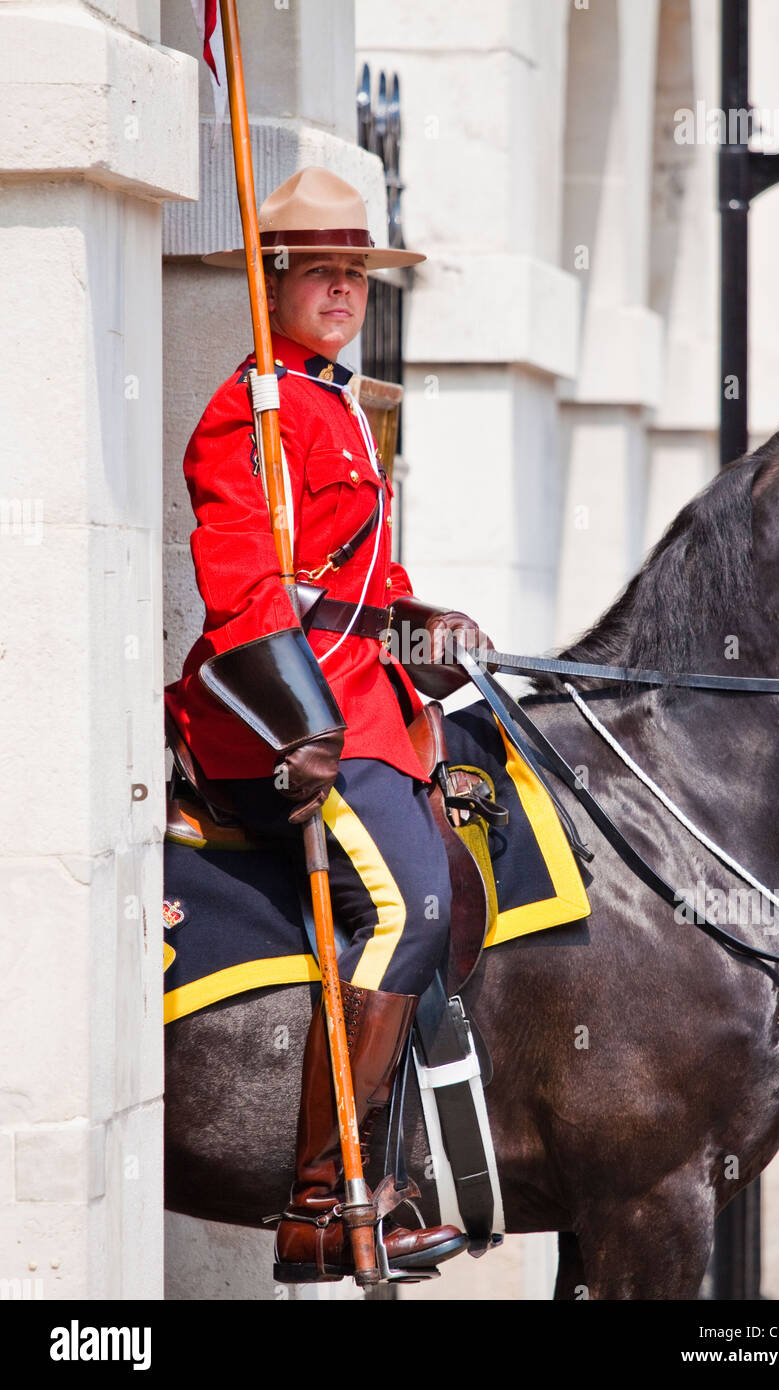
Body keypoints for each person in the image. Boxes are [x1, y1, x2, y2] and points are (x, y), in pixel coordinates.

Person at [164, 166, 493, 1282]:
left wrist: (423, 624)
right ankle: (325, 1200)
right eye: (323, 274)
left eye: (356, 273)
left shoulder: (343, 405)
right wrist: (300, 722)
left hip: (364, 701)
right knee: (409, 904)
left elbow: (361, 585)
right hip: (281, 719)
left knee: (456, 883)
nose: (344, 291)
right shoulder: (244, 409)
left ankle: (408, 1156)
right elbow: (247, 592)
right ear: (277, 285)